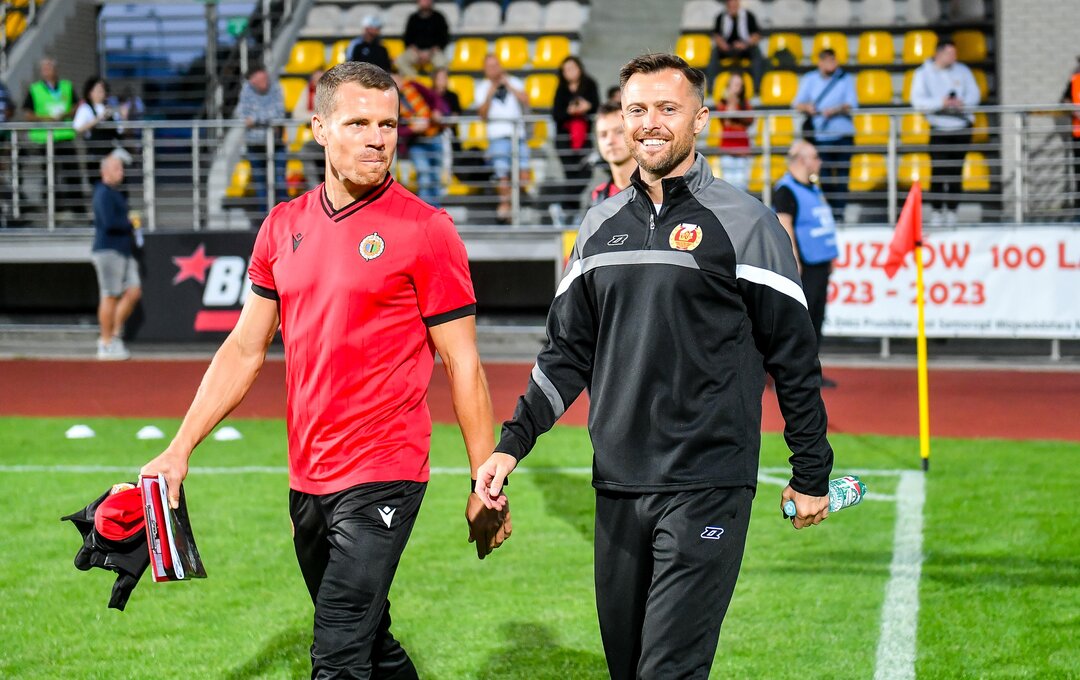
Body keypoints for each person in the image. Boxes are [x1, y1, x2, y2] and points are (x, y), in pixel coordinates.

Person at [140, 61, 511, 678]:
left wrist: (484, 482)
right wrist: (179, 449)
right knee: (369, 643)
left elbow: (463, 363)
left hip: (385, 472)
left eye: (388, 125)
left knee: (336, 654)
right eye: (358, 123)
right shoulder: (282, 226)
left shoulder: (427, 230)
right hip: (308, 476)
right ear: (319, 128)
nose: (377, 138)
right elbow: (244, 349)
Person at [474, 53, 833, 680]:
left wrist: (811, 472)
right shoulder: (598, 225)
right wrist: (512, 444)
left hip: (707, 481)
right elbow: (566, 353)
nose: (650, 122)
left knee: (668, 670)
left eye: (668, 108)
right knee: (629, 669)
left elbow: (794, 359)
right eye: (637, 109)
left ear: (701, 119)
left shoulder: (748, 223)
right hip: (617, 482)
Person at [772, 140, 839, 387]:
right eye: (815, 157)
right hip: (804, 266)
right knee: (801, 321)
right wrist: (794, 260)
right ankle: (792, 375)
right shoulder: (786, 190)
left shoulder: (812, 187)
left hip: (819, 263)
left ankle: (811, 372)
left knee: (816, 319)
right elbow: (785, 226)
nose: (819, 162)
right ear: (801, 160)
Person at [910, 38, 980, 225]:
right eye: (950, 53)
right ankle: (936, 211)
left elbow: (975, 94)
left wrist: (961, 103)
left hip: (962, 127)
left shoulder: (963, 71)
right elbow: (918, 101)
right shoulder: (923, 73)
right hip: (939, 128)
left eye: (954, 53)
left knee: (956, 171)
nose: (954, 57)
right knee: (938, 171)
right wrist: (940, 103)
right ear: (938, 53)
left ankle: (952, 211)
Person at [91, 154, 141, 361]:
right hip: (108, 250)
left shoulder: (115, 192)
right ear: (105, 171)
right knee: (110, 295)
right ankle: (105, 342)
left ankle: (114, 334)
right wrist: (130, 223)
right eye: (117, 168)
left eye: (121, 168)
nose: (121, 172)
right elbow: (109, 222)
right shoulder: (103, 193)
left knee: (134, 291)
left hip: (123, 250)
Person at [794, 48, 857, 211]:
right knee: (825, 176)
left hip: (843, 135)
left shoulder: (845, 78)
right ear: (820, 62)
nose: (833, 63)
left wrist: (835, 110)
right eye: (829, 60)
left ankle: (840, 212)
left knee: (842, 177)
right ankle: (830, 210)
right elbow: (797, 103)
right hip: (821, 136)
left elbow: (851, 103)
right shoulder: (810, 79)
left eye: (834, 60)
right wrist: (808, 108)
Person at [475, 54, 530, 224]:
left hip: (518, 135)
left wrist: (509, 86)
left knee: (524, 176)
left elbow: (526, 101)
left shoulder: (514, 81)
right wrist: (489, 95)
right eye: (490, 66)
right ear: (485, 70)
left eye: (496, 65)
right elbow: (482, 115)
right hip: (497, 136)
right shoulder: (482, 87)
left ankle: (510, 204)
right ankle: (506, 206)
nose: (493, 69)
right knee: (502, 175)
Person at [23, 57, 80, 218]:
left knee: (72, 172)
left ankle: (78, 208)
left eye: (49, 68)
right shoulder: (35, 89)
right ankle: (52, 208)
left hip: (64, 136)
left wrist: (65, 114)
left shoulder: (66, 86)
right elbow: (28, 114)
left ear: (55, 69)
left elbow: (77, 106)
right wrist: (46, 118)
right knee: (49, 174)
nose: (47, 71)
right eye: (44, 68)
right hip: (45, 138)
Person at [394, 72, 452, 206]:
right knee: (424, 174)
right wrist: (412, 130)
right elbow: (395, 128)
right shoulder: (391, 101)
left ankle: (435, 210)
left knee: (436, 176)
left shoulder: (414, 86)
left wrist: (437, 110)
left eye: (397, 79)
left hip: (434, 136)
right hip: (416, 142)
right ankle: (426, 210)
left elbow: (434, 97)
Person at [236, 65, 286, 203]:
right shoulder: (246, 90)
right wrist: (268, 120)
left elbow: (279, 114)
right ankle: (265, 215)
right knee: (260, 183)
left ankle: (284, 214)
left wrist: (255, 119)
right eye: (259, 81)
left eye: (265, 79)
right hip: (254, 145)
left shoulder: (275, 87)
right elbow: (242, 115)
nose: (264, 83)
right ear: (252, 81)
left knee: (280, 181)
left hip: (276, 143)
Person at [552, 56, 601, 194]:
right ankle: (569, 205)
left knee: (585, 174)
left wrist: (587, 107)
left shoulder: (590, 84)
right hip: (565, 139)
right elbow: (556, 114)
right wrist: (569, 111)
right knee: (571, 176)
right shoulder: (561, 89)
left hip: (584, 138)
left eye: (572, 68)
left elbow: (597, 107)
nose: (570, 72)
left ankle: (565, 203)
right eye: (566, 69)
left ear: (579, 68)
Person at [706, 0, 764, 87]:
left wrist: (745, 44)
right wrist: (723, 45)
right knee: (714, 52)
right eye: (730, 5)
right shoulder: (721, 17)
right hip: (727, 48)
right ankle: (710, 86)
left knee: (756, 52)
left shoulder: (748, 16)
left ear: (738, 4)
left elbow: (756, 35)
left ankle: (757, 86)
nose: (732, 7)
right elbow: (716, 35)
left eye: (734, 5)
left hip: (745, 48)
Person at [73, 77, 129, 167]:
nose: (102, 92)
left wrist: (124, 117)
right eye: (98, 90)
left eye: (103, 90)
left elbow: (121, 131)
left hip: (112, 155)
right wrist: (98, 119)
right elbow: (78, 128)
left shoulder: (109, 108)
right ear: (90, 92)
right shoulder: (85, 108)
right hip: (95, 155)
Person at [589, 101, 636, 206]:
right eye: (603, 134)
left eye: (619, 132)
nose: (610, 141)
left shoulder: (657, 192)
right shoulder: (597, 197)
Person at [714, 72, 753, 191]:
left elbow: (750, 119)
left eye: (739, 85)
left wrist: (736, 109)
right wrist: (731, 101)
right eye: (735, 84)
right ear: (729, 85)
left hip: (742, 148)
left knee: (742, 186)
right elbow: (724, 119)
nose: (737, 87)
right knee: (728, 185)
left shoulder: (745, 104)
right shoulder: (723, 103)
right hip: (728, 148)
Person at [395, 0, 450, 77]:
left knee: (442, 63)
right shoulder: (413, 18)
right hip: (415, 52)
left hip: (434, 52)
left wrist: (431, 52)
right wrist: (417, 52)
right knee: (400, 61)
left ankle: (435, 81)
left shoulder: (439, 17)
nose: (425, 2)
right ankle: (416, 80)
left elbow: (444, 38)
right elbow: (408, 38)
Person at [1060, 55, 1080, 204]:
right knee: (1078, 171)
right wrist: (1074, 109)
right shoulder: (1075, 80)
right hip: (1078, 133)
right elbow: (1065, 100)